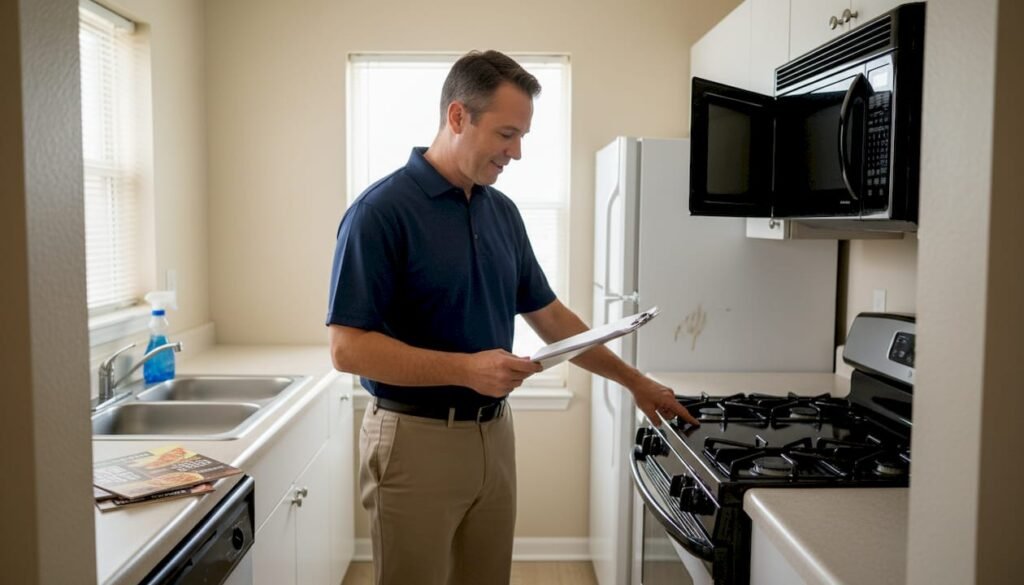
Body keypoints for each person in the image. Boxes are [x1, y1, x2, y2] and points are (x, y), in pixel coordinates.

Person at [326, 49, 699, 585]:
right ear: (458, 117)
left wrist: (635, 382)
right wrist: (467, 369)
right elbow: (347, 349)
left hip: (495, 436)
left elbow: (552, 318)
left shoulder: (501, 212)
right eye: (506, 134)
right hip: (413, 441)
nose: (517, 153)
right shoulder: (380, 213)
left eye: (522, 136)